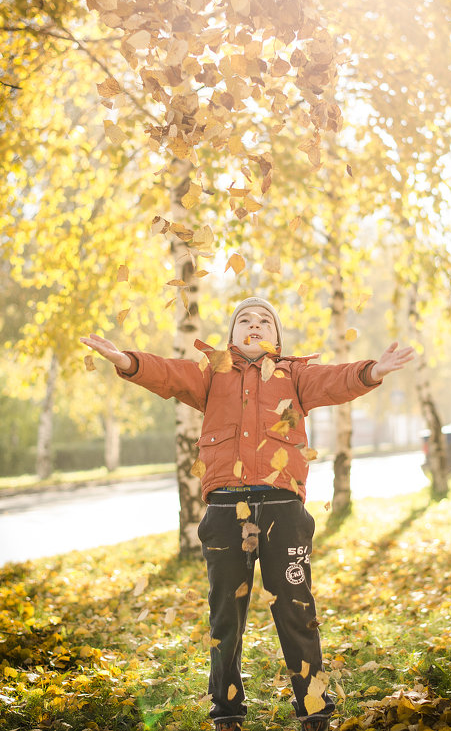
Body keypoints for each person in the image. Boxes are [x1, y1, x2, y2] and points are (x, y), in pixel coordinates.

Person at [80, 296, 414, 731]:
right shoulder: (211, 373)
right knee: (225, 617)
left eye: (264, 321)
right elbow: (166, 373)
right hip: (225, 511)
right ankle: (228, 711)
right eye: (244, 320)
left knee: (296, 610)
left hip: (283, 510)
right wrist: (127, 360)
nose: (254, 325)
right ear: (233, 334)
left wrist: (372, 371)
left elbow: (337, 380)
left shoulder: (296, 375)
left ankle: (314, 712)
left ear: (276, 337)